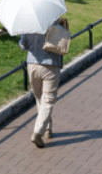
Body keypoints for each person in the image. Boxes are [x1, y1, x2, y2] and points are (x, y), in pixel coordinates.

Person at [19, 17, 68, 148]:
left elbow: (22, 45)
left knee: (39, 97)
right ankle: (38, 132)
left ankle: (47, 129)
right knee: (48, 100)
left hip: (33, 65)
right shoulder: (57, 22)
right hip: (51, 65)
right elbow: (63, 43)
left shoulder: (29, 24)